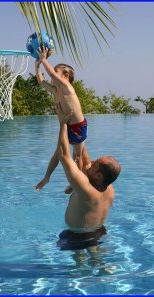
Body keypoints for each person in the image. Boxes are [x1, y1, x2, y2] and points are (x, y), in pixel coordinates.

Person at [54, 103, 121, 250]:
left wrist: (63, 123)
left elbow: (63, 155)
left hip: (78, 236)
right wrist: (78, 125)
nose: (91, 161)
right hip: (99, 232)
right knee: (95, 258)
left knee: (79, 268)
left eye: (95, 163)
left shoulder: (85, 188)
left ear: (98, 175)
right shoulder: (108, 187)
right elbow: (84, 159)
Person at [35, 45, 87, 194]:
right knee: (58, 154)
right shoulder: (56, 90)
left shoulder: (67, 87)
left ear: (65, 76)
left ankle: (76, 183)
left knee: (78, 155)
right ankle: (46, 178)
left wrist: (44, 60)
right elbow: (41, 81)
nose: (52, 75)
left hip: (77, 126)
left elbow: (50, 72)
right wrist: (37, 65)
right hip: (66, 126)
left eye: (56, 72)